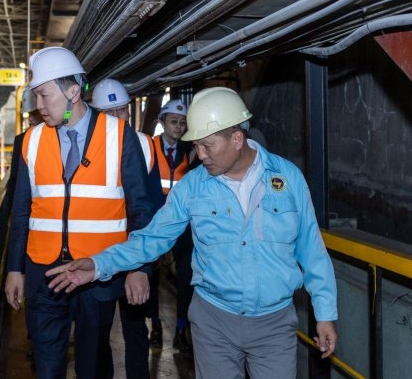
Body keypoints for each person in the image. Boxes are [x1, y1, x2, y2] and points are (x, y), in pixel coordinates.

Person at [46, 87, 338, 379]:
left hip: (273, 327)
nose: (200, 155)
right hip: (214, 323)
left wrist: (325, 315)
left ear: (237, 139)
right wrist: (99, 264)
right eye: (197, 146)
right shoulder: (193, 186)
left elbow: (312, 251)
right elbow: (151, 239)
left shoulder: (287, 179)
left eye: (207, 146)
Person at [4, 47, 156, 379]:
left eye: (44, 95)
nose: (39, 105)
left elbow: (141, 210)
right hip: (43, 274)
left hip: (98, 275)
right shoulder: (30, 141)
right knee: (47, 368)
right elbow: (21, 211)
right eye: (36, 96)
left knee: (93, 366)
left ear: (73, 91)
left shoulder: (119, 136)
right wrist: (15, 269)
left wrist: (139, 268)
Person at [92, 78, 165, 379]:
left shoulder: (146, 145)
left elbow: (152, 206)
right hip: (101, 256)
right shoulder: (86, 149)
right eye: (108, 113)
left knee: (135, 329)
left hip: (134, 253)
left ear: (129, 111)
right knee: (98, 332)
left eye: (121, 110)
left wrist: (143, 264)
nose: (117, 118)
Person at [152, 99, 195, 356]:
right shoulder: (149, 148)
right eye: (173, 122)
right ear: (162, 122)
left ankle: (180, 330)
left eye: (182, 123)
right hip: (157, 222)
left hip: (183, 223)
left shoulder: (192, 151)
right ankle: (155, 325)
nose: (178, 127)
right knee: (151, 276)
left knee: (186, 276)